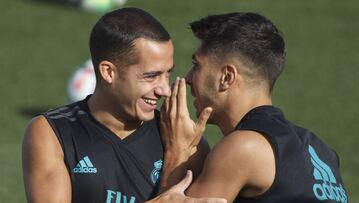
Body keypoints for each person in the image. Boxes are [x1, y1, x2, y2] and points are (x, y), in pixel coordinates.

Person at [22, 7, 225, 203]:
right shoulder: (52, 133)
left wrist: (179, 155)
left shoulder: (185, 142)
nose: (165, 89)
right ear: (109, 72)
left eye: (168, 74)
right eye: (151, 76)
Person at [159, 12, 349, 203]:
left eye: (196, 65)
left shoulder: (242, 148)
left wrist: (177, 152)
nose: (188, 78)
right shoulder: (323, 153)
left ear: (226, 77)